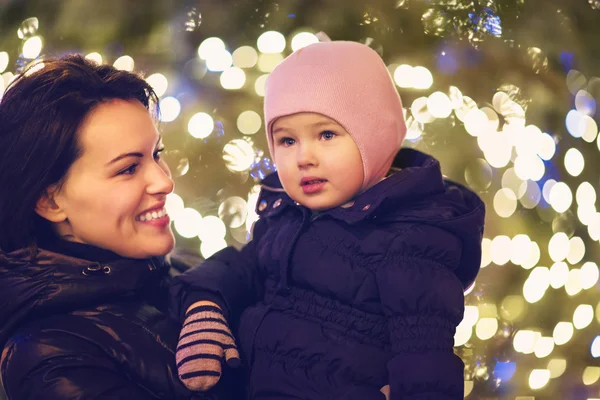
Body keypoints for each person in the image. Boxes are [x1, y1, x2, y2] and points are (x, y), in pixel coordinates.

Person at [169, 41, 486, 399]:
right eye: (287, 140)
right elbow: (242, 268)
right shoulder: (286, 216)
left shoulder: (410, 238)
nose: (304, 157)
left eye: (327, 134)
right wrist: (204, 306)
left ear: (375, 137)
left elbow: (425, 362)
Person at [0, 55, 240, 400]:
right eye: (128, 169)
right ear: (49, 202)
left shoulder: (187, 273)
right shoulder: (50, 357)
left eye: (157, 154)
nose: (164, 182)